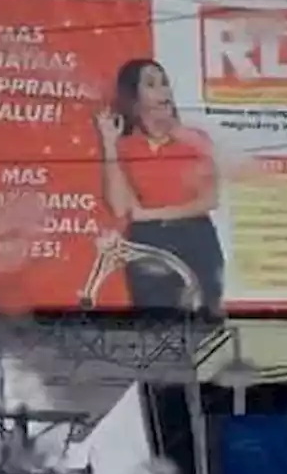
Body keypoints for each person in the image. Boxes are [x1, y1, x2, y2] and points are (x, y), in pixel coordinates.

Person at [95, 60, 224, 313]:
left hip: (195, 237)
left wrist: (152, 214)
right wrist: (108, 144)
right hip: (148, 243)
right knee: (155, 323)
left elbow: (210, 200)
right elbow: (121, 208)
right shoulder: (126, 146)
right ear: (135, 97)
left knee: (203, 322)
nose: (163, 91)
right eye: (152, 84)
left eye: (165, 83)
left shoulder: (194, 140)